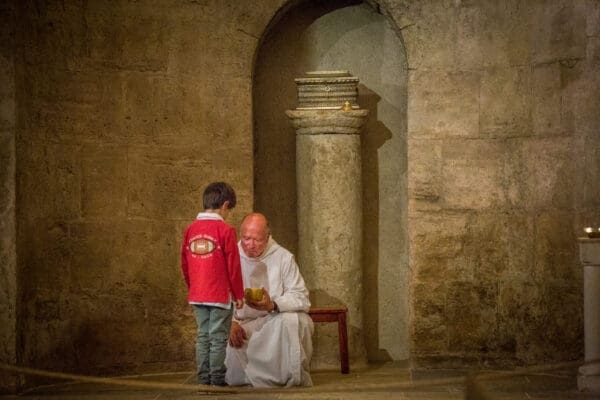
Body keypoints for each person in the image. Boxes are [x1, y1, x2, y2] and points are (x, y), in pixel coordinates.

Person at [225, 213, 313, 387]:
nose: (250, 245)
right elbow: (220, 296)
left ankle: (288, 378)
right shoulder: (230, 257)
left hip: (273, 320)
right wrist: (230, 323)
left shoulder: (283, 257)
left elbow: (301, 297)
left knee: (296, 320)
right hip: (242, 324)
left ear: (267, 237)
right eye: (245, 238)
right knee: (227, 340)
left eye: (256, 240)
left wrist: (272, 304)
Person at [180, 182, 244, 386]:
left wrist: (193, 286)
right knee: (217, 338)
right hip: (218, 295)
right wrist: (238, 294)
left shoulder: (190, 229)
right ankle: (217, 380)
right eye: (229, 210)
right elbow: (233, 267)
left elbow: (184, 263)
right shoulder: (226, 230)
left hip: (197, 294)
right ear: (225, 205)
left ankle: (202, 380)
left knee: (202, 337)